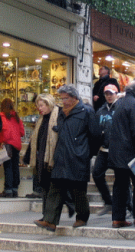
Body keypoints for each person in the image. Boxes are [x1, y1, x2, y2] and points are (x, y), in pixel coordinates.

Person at [34, 85, 99, 232]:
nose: (63, 101)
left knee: (78, 189)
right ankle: (50, 221)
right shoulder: (61, 113)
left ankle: (82, 217)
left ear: (74, 97)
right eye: (62, 98)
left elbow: (95, 136)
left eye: (66, 98)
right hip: (62, 154)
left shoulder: (86, 111)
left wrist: (85, 153)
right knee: (55, 188)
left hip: (78, 156)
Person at [23, 94, 74, 219]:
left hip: (56, 157)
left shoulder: (60, 114)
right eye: (37, 106)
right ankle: (47, 215)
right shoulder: (41, 119)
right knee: (45, 186)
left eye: (41, 105)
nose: (39, 108)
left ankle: (61, 209)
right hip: (43, 158)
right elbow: (35, 139)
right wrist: (28, 156)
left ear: (49, 103)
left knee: (54, 188)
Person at [109, 80, 135, 228]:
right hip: (132, 153)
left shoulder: (119, 103)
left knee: (120, 185)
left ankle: (118, 218)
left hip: (117, 152)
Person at [93, 84, 119, 216]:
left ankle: (129, 206)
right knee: (97, 173)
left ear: (116, 94)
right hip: (103, 149)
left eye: (111, 93)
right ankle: (108, 202)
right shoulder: (101, 110)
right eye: (107, 94)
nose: (109, 96)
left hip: (118, 150)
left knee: (121, 179)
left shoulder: (121, 107)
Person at [0, 98, 25, 198]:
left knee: (7, 167)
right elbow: (22, 133)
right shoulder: (17, 117)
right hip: (16, 145)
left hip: (7, 144)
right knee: (15, 167)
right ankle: (14, 189)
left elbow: (5, 131)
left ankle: (8, 190)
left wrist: (2, 141)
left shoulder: (1, 116)